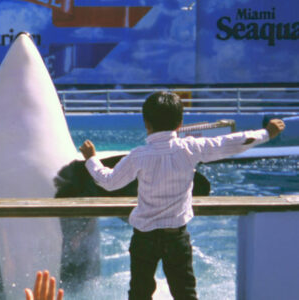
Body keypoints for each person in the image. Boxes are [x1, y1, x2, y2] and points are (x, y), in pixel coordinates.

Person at [79, 91, 285, 299]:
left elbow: (109, 182)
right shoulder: (190, 148)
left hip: (144, 238)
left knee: (139, 294)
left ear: (146, 123)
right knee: (185, 294)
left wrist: (91, 159)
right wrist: (266, 133)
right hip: (176, 237)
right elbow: (229, 143)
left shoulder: (138, 156)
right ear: (180, 123)